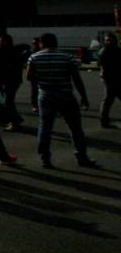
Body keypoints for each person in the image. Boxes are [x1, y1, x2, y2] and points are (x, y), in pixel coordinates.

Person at [26, 33, 96, 168]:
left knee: (45, 128)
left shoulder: (34, 57)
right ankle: (81, 157)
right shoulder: (66, 57)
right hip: (65, 95)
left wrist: (44, 81)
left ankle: (45, 159)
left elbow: (29, 77)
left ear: (42, 43)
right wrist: (84, 96)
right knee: (75, 128)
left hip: (45, 96)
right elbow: (76, 79)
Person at [98, 32, 120, 128]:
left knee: (107, 100)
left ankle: (104, 120)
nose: (108, 42)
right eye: (107, 40)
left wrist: (102, 74)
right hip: (112, 79)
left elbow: (101, 65)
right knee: (107, 100)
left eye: (109, 40)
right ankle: (104, 120)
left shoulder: (104, 51)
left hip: (111, 78)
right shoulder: (113, 50)